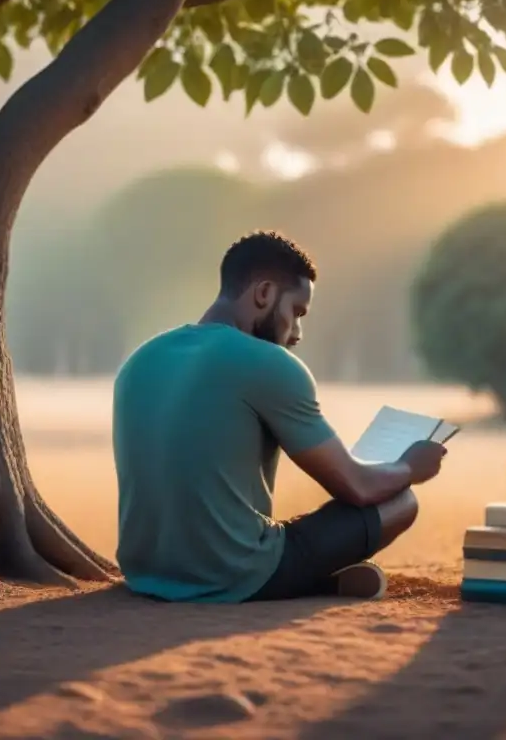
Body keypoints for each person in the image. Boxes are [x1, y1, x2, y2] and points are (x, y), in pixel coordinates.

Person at [111, 230, 447, 603]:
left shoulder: (140, 359)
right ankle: (308, 582)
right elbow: (358, 487)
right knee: (399, 502)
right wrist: (410, 467)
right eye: (297, 312)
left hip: (144, 570)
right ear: (264, 293)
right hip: (232, 572)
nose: (297, 333)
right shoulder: (270, 363)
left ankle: (321, 582)